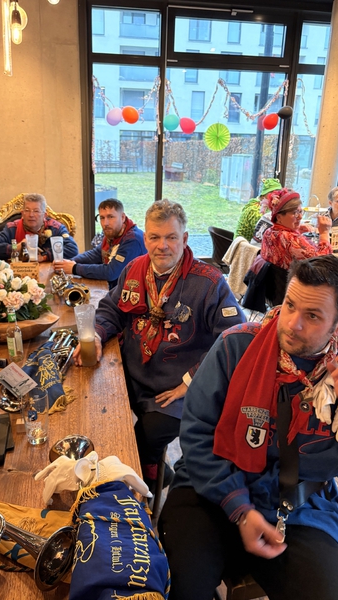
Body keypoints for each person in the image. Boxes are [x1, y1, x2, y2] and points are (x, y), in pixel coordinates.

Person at [159, 254, 338, 600]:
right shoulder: (236, 345)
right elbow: (197, 435)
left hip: (300, 509)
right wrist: (240, 509)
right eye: (290, 305)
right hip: (212, 489)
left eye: (313, 316)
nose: (292, 324)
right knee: (182, 587)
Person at [73, 199, 245, 490]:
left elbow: (234, 339)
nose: (162, 246)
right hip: (133, 376)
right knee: (97, 412)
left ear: (185, 239)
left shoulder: (210, 282)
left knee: (143, 439)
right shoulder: (135, 269)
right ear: (145, 238)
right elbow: (112, 309)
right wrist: (99, 334)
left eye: (171, 237)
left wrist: (191, 382)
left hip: (176, 390)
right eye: (154, 237)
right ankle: (156, 473)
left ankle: (144, 496)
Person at [53, 199, 146, 289]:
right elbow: (96, 254)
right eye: (102, 218)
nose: (105, 223)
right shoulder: (114, 232)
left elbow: (111, 272)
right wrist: (69, 262)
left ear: (122, 217)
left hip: (131, 291)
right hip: (115, 287)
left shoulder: (133, 240)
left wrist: (74, 268)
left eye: (110, 217)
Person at [0, 193, 78, 262]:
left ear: (44, 215)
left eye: (36, 211)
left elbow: (73, 249)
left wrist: (45, 256)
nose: (31, 215)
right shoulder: (12, 228)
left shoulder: (55, 228)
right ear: (22, 213)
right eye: (27, 210)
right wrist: (17, 247)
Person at [261, 187, 332, 270]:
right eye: (295, 213)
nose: (300, 217)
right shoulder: (291, 239)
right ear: (279, 217)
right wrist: (324, 233)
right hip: (293, 278)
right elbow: (323, 263)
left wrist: (296, 231)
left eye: (300, 211)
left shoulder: (268, 232)